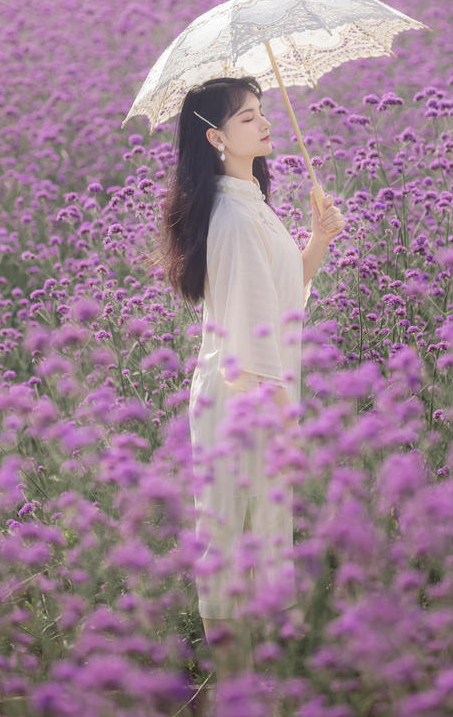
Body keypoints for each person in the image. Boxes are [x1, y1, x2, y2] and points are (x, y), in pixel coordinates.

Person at [161, 75, 344, 690]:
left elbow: (282, 295)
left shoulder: (248, 199)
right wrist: (280, 413)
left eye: (263, 113)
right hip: (244, 397)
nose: (264, 124)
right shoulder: (234, 215)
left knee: (259, 538)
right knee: (233, 539)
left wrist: (317, 238)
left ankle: (260, 677)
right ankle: (235, 680)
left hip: (256, 392)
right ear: (216, 138)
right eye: (247, 118)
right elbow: (247, 333)